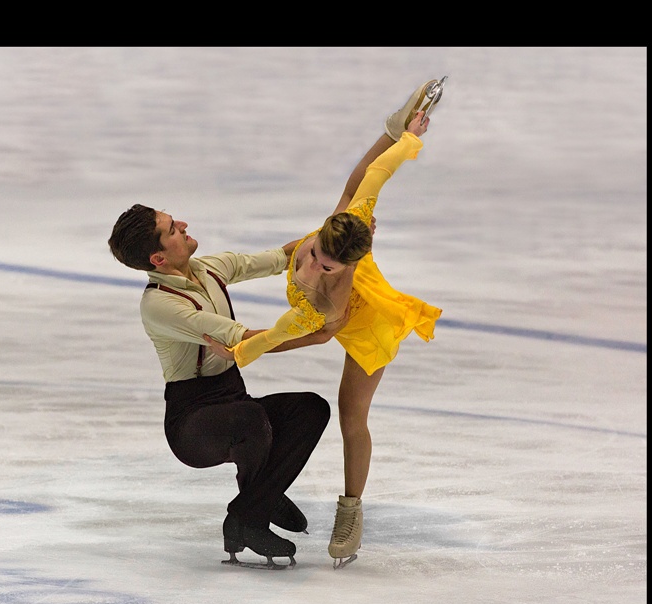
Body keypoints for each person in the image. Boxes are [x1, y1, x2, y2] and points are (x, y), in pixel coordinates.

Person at [202, 79, 445, 568]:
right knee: (361, 183)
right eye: (314, 253)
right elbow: (371, 173)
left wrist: (242, 349)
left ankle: (351, 510)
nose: (312, 267)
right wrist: (404, 132)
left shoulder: (328, 304)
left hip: (368, 326)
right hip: (335, 298)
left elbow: (292, 334)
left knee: (351, 416)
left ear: (348, 266)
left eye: (327, 267)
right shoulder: (345, 222)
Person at [107, 206, 335, 568]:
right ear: (159, 257)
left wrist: (340, 236)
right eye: (171, 228)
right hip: (192, 423)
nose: (183, 224)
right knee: (249, 418)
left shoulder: (209, 268)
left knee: (310, 409)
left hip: (234, 399)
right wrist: (318, 335)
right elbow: (244, 340)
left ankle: (257, 498)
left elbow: (283, 256)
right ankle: (252, 518)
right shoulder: (160, 305)